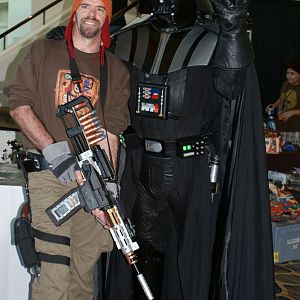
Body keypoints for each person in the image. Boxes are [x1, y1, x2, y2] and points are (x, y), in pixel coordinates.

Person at [104, 0, 275, 299]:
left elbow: (233, 91)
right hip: (140, 164)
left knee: (196, 258)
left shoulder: (212, 42)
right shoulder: (126, 40)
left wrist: (233, 30)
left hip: (193, 169)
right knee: (141, 253)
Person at [3, 0, 130, 299]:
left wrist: (108, 183)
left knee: (82, 277)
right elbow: (19, 107)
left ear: (107, 18)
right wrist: (55, 153)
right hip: (51, 176)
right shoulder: (42, 52)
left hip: (91, 182)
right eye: (85, 6)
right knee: (54, 273)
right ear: (75, 12)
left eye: (100, 9)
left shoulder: (115, 70)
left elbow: (110, 133)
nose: (92, 14)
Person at [266, 60, 300, 131]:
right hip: (280, 125)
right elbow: (282, 98)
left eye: (292, 74)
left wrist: (292, 112)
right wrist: (274, 105)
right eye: (287, 73)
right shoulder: (285, 84)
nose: (288, 76)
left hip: (295, 128)